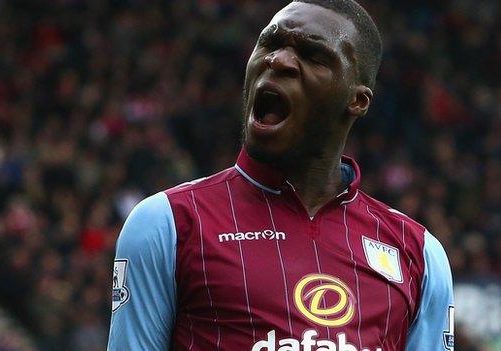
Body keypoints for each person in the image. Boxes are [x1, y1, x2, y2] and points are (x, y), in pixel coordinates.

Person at [108, 0, 454, 350]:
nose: (279, 60)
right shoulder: (167, 224)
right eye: (269, 44)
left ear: (358, 100)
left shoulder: (418, 253)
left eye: (312, 55)